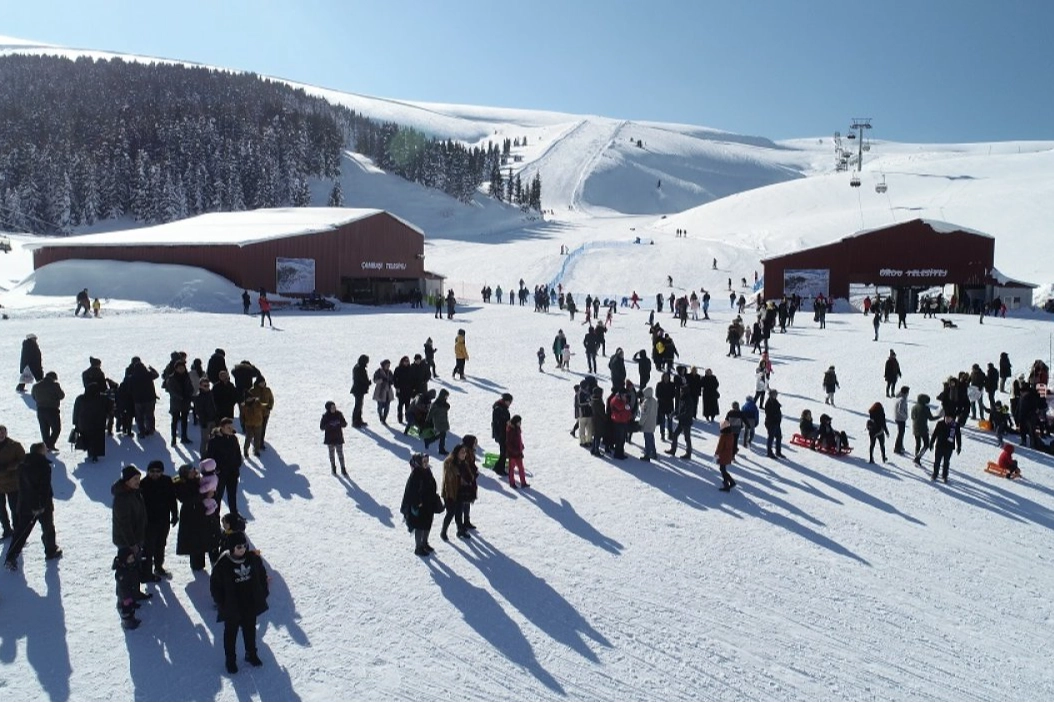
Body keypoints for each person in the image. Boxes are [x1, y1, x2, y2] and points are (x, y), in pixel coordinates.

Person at [211, 531, 269, 674]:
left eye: (244, 546)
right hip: (232, 607)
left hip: (249, 603)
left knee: (250, 630)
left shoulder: (253, 559)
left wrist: (263, 592)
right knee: (231, 634)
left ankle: (251, 653)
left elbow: (262, 575)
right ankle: (230, 660)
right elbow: (215, 586)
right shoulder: (223, 563)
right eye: (238, 547)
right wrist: (221, 603)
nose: (242, 549)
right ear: (231, 547)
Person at [3, 442, 62, 570]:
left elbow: (22, 486)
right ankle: (51, 551)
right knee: (48, 527)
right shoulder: (43, 466)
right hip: (42, 504)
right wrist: (40, 505)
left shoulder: (22, 464)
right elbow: (44, 488)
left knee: (21, 531)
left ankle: (11, 556)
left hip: (25, 503)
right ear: (41, 451)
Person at [174, 462, 219, 572]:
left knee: (211, 535)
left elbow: (212, 490)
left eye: (193, 469)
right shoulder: (180, 485)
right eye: (191, 471)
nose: (194, 471)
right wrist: (204, 495)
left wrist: (211, 494)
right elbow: (187, 499)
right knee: (195, 540)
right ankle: (197, 564)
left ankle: (215, 558)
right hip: (191, 515)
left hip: (204, 512)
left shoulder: (200, 480)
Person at [141, 460, 179, 579]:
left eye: (158, 471)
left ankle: (158, 566)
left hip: (164, 519)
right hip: (149, 521)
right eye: (152, 471)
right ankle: (146, 571)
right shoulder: (143, 484)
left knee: (161, 544)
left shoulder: (167, 481)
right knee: (148, 547)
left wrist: (174, 514)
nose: (155, 474)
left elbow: (172, 499)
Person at [112, 465, 149, 583]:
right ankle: (126, 599)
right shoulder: (122, 498)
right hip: (126, 541)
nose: (138, 482)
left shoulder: (134, 492)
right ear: (127, 481)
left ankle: (135, 593)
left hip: (136, 538)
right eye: (135, 479)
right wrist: (132, 543)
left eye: (139, 478)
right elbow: (124, 524)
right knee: (126, 570)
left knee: (135, 568)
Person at [400, 453, 440, 556]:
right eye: (424, 461)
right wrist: (418, 502)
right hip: (421, 505)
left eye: (427, 461)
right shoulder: (416, 474)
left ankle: (425, 543)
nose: (426, 463)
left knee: (427, 524)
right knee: (420, 527)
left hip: (428, 503)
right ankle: (418, 547)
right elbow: (411, 491)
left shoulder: (427, 471)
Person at [207, 418, 244, 516]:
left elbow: (238, 453)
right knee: (218, 497)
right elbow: (209, 457)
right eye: (228, 427)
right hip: (220, 474)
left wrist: (237, 464)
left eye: (232, 427)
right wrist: (216, 470)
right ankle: (215, 519)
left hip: (232, 473)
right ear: (222, 427)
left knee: (232, 496)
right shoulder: (214, 440)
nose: (231, 429)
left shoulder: (233, 438)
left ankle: (234, 516)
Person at [440, 444, 476, 540]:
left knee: (459, 513)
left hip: (460, 492)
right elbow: (449, 481)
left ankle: (460, 531)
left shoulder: (463, 463)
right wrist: (451, 496)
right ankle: (443, 531)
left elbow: (469, 475)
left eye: (465, 452)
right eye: (462, 452)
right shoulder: (449, 464)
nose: (464, 454)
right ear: (456, 453)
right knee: (450, 513)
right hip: (449, 493)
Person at [0, 426, 26, 539]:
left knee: (15, 508)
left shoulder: (15, 446)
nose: (1, 435)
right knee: (1, 510)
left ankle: (18, 530)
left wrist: (8, 467)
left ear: (6, 433)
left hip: (12, 483)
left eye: (2, 433)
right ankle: (6, 530)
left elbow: (23, 461)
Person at [31, 371, 65, 453]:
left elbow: (33, 396)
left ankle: (46, 447)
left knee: (44, 430)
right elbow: (62, 396)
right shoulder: (54, 385)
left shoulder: (36, 386)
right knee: (56, 429)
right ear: (54, 378)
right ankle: (49, 445)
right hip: (52, 410)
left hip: (40, 410)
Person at [114, 546, 144, 629]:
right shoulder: (121, 573)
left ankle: (132, 618)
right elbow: (122, 588)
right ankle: (127, 623)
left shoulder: (131, 566)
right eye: (129, 559)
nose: (132, 560)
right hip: (124, 597)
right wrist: (125, 598)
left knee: (131, 608)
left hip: (131, 592)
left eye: (132, 558)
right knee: (126, 610)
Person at [930, 414, 962, 483]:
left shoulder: (955, 426)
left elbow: (958, 436)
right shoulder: (940, 424)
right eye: (946, 417)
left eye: (949, 418)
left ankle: (944, 476)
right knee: (937, 461)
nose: (947, 419)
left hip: (949, 447)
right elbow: (935, 433)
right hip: (939, 446)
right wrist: (931, 442)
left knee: (946, 462)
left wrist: (959, 446)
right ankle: (935, 474)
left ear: (952, 418)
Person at [320, 401, 349, 475]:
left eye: (334, 407)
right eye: (332, 407)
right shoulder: (325, 416)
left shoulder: (339, 414)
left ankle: (343, 468)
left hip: (338, 437)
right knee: (331, 454)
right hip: (330, 438)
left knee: (340, 454)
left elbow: (344, 424)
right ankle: (333, 467)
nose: (334, 408)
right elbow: (322, 427)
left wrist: (340, 422)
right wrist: (329, 424)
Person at [911, 393, 939, 466]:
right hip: (923, 429)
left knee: (918, 443)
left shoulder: (914, 407)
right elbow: (931, 418)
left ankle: (916, 455)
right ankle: (918, 458)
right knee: (926, 444)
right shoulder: (925, 408)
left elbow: (912, 417)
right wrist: (939, 416)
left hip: (915, 427)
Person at [247, 379, 275, 450]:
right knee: (257, 429)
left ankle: (261, 442)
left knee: (263, 428)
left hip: (266, 413)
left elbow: (271, 399)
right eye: (261, 382)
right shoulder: (252, 391)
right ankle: (256, 443)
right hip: (256, 414)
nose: (262, 384)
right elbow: (249, 401)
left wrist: (270, 406)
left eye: (263, 382)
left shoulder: (267, 390)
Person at [423, 389, 451, 456]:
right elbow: (430, 413)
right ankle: (441, 449)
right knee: (442, 435)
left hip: (444, 421)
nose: (446, 398)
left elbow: (448, 407)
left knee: (441, 435)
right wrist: (427, 421)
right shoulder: (436, 404)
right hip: (438, 422)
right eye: (446, 396)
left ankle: (428, 441)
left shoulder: (444, 403)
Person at [491, 392, 513, 475]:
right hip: (501, 433)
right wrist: (507, 423)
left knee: (503, 452)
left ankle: (498, 467)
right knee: (503, 452)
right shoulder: (499, 408)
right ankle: (499, 469)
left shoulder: (502, 407)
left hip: (503, 432)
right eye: (510, 402)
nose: (510, 404)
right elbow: (499, 422)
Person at [506, 415, 528, 488]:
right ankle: (512, 483)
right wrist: (514, 450)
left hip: (518, 452)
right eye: (519, 422)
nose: (520, 423)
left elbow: (519, 439)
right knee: (511, 468)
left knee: (521, 468)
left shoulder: (517, 429)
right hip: (512, 453)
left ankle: (523, 482)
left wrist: (521, 446)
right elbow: (509, 443)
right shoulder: (510, 431)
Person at [714, 421, 738, 491]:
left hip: (723, 454)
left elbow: (720, 446)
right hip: (728, 454)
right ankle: (731, 482)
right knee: (723, 469)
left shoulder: (723, 436)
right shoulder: (731, 434)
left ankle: (727, 484)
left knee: (722, 469)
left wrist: (716, 454)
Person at [349, 354, 371, 428]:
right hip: (358, 389)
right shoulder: (359, 368)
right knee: (358, 405)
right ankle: (355, 420)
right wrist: (367, 382)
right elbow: (361, 378)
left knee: (360, 405)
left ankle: (359, 419)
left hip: (359, 389)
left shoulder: (359, 367)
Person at [372, 360, 395, 425]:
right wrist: (381, 380)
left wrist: (391, 382)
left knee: (387, 407)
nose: (388, 366)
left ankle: (384, 419)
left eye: (389, 365)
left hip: (388, 391)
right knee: (380, 407)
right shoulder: (378, 372)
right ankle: (380, 416)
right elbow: (375, 380)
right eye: (387, 365)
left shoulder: (390, 372)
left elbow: (392, 379)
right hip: (380, 392)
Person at [764, 390, 784, 458]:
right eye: (775, 394)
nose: (776, 395)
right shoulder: (769, 403)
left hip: (777, 423)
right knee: (771, 437)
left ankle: (778, 451)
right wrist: (775, 416)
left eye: (776, 394)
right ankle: (769, 452)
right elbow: (769, 413)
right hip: (771, 423)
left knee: (779, 437)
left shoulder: (775, 401)